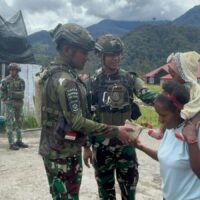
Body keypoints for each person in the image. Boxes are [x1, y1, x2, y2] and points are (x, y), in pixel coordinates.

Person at [38, 23, 136, 200]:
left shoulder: (53, 73)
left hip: (57, 149)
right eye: (83, 52)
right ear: (67, 49)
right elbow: (77, 121)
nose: (86, 58)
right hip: (63, 154)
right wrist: (116, 130)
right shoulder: (66, 80)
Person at [83, 34, 157, 200]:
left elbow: (146, 94)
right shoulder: (92, 81)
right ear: (100, 56)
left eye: (118, 55)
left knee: (129, 189)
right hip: (102, 146)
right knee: (105, 190)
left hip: (126, 144)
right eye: (111, 55)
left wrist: (169, 100)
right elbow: (86, 115)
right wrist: (86, 147)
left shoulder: (129, 78)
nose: (115, 59)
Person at [135, 80, 200, 200]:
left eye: (163, 115)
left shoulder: (194, 131)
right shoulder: (170, 129)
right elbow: (166, 157)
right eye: (158, 114)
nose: (160, 120)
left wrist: (192, 141)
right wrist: (140, 146)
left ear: (178, 111)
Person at [148, 51, 200, 140]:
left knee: (195, 116)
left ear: (184, 73)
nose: (171, 75)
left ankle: (187, 134)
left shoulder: (192, 88)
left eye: (174, 74)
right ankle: (161, 131)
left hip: (191, 116)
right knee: (167, 112)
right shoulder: (175, 87)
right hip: (175, 121)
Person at [0, 63, 28, 150]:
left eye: (14, 70)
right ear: (9, 70)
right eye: (11, 70)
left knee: (19, 122)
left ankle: (19, 141)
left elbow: (22, 91)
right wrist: (6, 100)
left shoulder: (21, 81)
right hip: (10, 105)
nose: (13, 71)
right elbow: (2, 93)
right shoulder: (5, 81)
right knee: (10, 123)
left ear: (17, 71)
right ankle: (11, 143)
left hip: (19, 104)